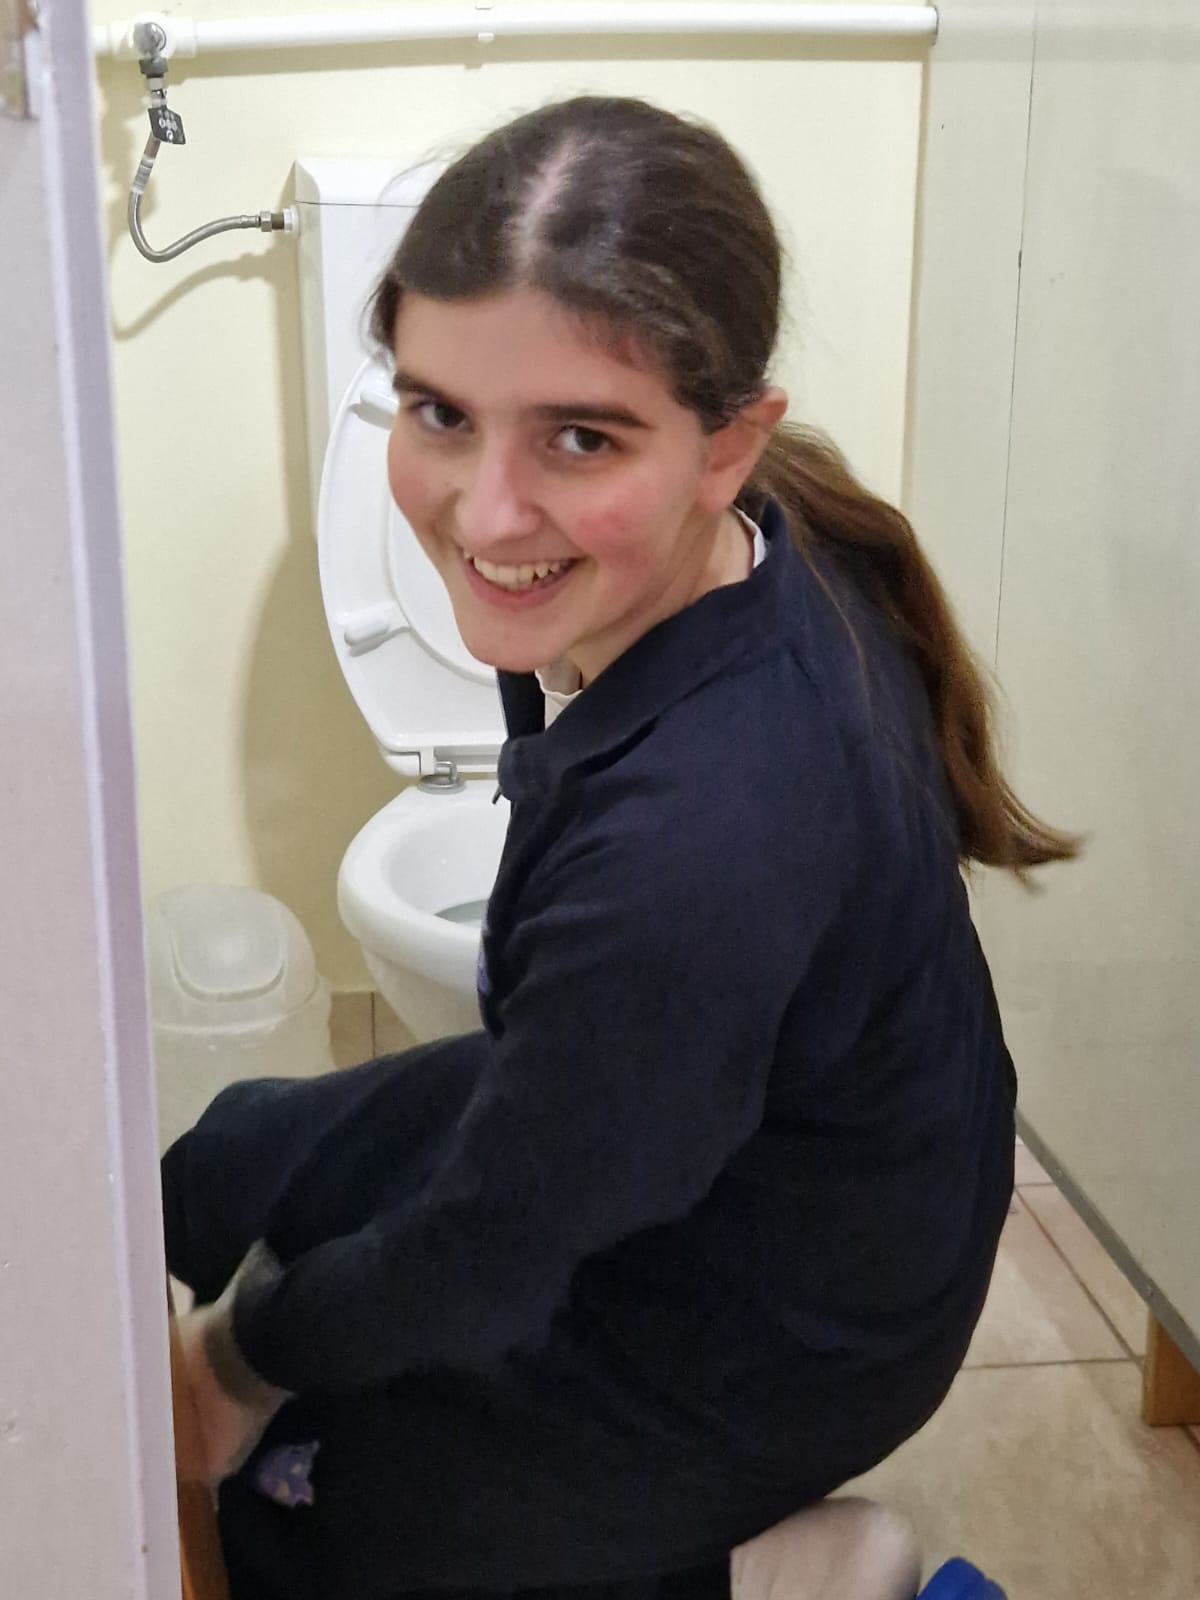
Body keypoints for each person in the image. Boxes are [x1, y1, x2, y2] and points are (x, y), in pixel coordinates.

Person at [165, 96, 1076, 1600]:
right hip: (813, 1149)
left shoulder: (698, 852)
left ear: (728, 446)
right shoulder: (760, 534)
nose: (483, 510)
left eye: (578, 437)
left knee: (284, 1504)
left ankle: (785, 1572)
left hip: (803, 1321)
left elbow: (491, 1252)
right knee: (236, 1156)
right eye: (439, 411)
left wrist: (230, 1364)